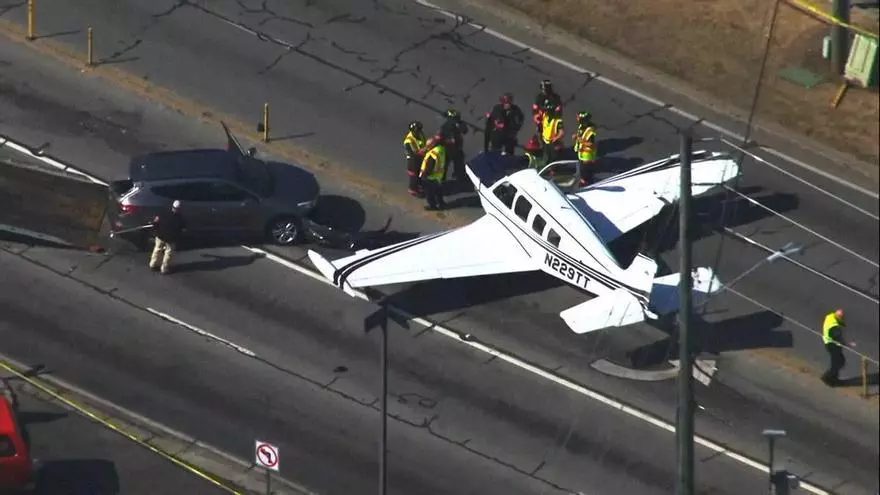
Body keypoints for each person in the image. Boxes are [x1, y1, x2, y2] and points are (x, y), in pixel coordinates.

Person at [149, 199, 186, 275]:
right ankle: (164, 269)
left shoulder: (163, 213)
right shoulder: (180, 218)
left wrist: (155, 230)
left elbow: (156, 221)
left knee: (157, 249)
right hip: (171, 238)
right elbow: (182, 229)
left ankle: (153, 264)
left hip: (160, 235)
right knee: (168, 253)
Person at [821, 309, 856, 386]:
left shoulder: (830, 316)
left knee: (839, 362)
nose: (843, 319)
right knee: (837, 363)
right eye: (842, 317)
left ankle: (832, 378)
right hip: (832, 345)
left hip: (829, 343)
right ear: (839, 317)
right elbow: (839, 339)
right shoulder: (834, 327)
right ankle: (829, 379)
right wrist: (849, 344)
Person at [438, 108, 468, 182]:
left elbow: (464, 130)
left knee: (456, 165)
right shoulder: (446, 127)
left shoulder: (451, 125)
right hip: (449, 150)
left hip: (455, 149)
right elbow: (464, 130)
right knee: (446, 166)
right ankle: (444, 179)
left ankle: (456, 177)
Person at [419, 138, 449, 211]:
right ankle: (441, 203)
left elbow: (429, 168)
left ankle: (433, 206)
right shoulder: (440, 149)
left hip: (430, 177)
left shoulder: (432, 155)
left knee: (429, 193)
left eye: (428, 145)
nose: (427, 147)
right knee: (438, 191)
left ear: (432, 145)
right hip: (438, 176)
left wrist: (424, 175)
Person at [572, 111, 598, 186]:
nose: (577, 119)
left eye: (578, 117)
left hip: (587, 155)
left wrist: (578, 139)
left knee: (585, 172)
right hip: (582, 153)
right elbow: (581, 135)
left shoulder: (590, 131)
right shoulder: (582, 126)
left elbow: (591, 144)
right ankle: (584, 180)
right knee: (583, 170)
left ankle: (585, 183)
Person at [403, 120, 427, 197]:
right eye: (417, 131)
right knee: (414, 175)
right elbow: (412, 155)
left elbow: (424, 142)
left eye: (419, 130)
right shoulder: (408, 141)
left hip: (421, 157)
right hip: (413, 160)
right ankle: (413, 189)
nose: (419, 132)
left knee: (420, 174)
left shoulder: (420, 134)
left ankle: (420, 185)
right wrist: (422, 152)